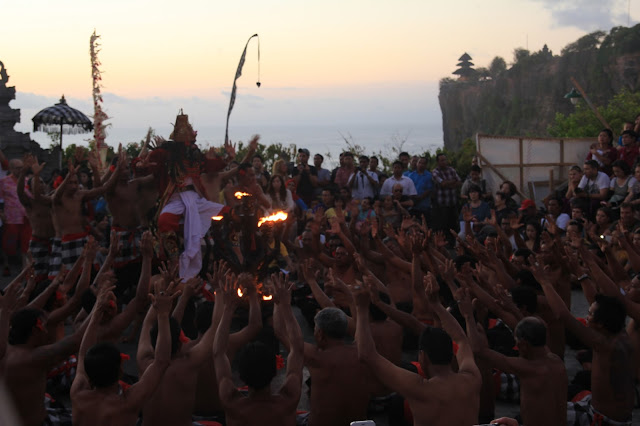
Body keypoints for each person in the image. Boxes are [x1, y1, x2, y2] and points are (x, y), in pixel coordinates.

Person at [355, 274, 481, 426]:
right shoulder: (472, 379)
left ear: (423, 357)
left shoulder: (419, 389)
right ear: (451, 353)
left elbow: (367, 355)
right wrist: (436, 305)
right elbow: (461, 340)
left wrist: (361, 309)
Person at [70, 282, 173, 426]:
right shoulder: (128, 402)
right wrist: (163, 314)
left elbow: (82, 355)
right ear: (120, 372)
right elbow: (161, 362)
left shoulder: (78, 394)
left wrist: (97, 312)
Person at [213, 272, 303, 426]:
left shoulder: (232, 403)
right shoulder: (289, 399)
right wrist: (285, 306)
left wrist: (228, 308)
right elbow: (297, 349)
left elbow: (219, 353)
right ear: (275, 371)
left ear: (240, 376)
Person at [462, 300, 568, 426]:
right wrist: (513, 309)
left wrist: (468, 315)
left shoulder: (527, 368)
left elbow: (478, 350)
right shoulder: (555, 360)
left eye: (517, 342)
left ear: (523, 345)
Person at [0, 158, 29, 275]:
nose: (20, 170)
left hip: (25, 217)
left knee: (26, 242)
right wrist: (1, 213)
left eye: (22, 168)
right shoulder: (3, 182)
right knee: (8, 244)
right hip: (10, 217)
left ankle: (24, 267)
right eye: (17, 168)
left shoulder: (27, 181)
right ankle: (6, 265)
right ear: (11, 169)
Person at [431, 153, 461, 240]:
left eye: (445, 160)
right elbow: (442, 183)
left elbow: (459, 182)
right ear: (438, 162)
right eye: (442, 160)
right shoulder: (435, 172)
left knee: (454, 224)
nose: (444, 162)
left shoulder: (451, 170)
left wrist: (447, 183)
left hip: (453, 202)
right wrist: (452, 182)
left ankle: (454, 243)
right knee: (444, 225)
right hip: (442, 204)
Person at [407, 156, 433, 221]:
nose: (421, 165)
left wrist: (420, 198)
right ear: (417, 163)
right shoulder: (411, 175)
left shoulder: (429, 175)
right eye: (419, 162)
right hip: (413, 206)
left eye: (423, 163)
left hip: (424, 206)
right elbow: (408, 188)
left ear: (426, 165)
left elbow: (429, 189)